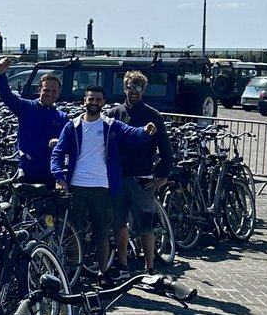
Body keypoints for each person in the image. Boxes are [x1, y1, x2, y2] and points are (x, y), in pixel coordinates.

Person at [51, 84, 155, 284]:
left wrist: (145, 131)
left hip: (102, 187)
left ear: (104, 103)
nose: (94, 103)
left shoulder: (111, 125)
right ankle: (74, 272)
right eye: (90, 99)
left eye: (98, 100)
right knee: (75, 231)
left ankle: (102, 272)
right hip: (77, 186)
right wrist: (59, 177)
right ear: (84, 101)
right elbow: (58, 153)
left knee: (102, 233)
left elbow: (132, 133)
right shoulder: (72, 126)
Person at [108, 70, 174, 275]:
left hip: (141, 179)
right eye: (129, 87)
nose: (133, 91)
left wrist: (162, 178)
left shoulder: (153, 115)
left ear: (143, 90)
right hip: (118, 178)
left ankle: (150, 268)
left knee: (146, 225)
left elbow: (166, 149)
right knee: (119, 224)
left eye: (137, 88)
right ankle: (123, 265)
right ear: (124, 88)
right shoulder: (113, 113)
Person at [0, 57, 68, 184]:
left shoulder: (62, 116)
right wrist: (2, 74)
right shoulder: (26, 107)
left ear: (58, 93)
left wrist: (59, 141)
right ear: (39, 90)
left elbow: (68, 140)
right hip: (28, 171)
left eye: (54, 91)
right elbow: (6, 96)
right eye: (46, 90)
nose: (50, 94)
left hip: (51, 172)